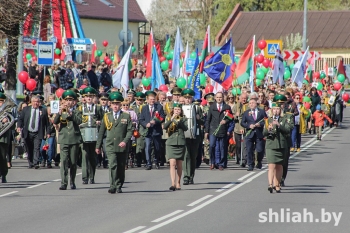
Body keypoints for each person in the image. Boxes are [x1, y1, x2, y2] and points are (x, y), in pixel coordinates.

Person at [95, 92, 133, 194]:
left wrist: (125, 141)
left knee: (121, 166)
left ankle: (119, 184)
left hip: (122, 146)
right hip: (110, 144)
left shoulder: (126, 116)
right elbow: (102, 131)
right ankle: (112, 185)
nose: (115, 106)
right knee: (112, 165)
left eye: (117, 104)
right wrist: (98, 146)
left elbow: (130, 131)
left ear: (120, 105)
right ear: (110, 105)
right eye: (113, 104)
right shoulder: (107, 116)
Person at [53, 90, 83, 190]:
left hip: (74, 139)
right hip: (64, 138)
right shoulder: (61, 110)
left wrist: (71, 114)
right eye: (66, 100)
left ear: (74, 101)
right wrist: (59, 113)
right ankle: (64, 182)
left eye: (70, 100)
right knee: (64, 161)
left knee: (73, 162)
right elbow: (55, 121)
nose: (68, 102)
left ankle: (72, 181)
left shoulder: (77, 110)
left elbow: (79, 121)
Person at [264, 101, 293, 193]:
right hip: (271, 145)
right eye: (274, 109)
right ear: (272, 110)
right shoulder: (268, 120)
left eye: (277, 109)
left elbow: (288, 130)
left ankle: (277, 184)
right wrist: (268, 129)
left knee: (279, 166)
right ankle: (270, 184)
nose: (276, 111)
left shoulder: (284, 119)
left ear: (280, 110)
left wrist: (279, 125)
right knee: (271, 165)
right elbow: (263, 133)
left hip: (281, 145)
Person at [17, 95, 50, 169]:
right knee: (29, 148)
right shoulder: (26, 109)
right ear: (31, 102)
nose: (36, 103)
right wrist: (19, 126)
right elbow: (20, 119)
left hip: (38, 133)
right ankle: (30, 162)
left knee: (36, 148)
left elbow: (47, 123)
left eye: (37, 102)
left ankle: (36, 163)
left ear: (39, 103)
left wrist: (48, 132)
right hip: (28, 132)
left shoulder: (43, 110)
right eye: (34, 102)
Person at [78, 87, 103, 184]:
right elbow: (76, 118)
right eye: (87, 96)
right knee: (84, 156)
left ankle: (92, 176)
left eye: (90, 96)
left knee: (92, 157)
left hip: (94, 134)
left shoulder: (98, 108)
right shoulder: (80, 108)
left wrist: (99, 122)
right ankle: (85, 177)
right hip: (84, 134)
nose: (89, 98)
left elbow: (104, 119)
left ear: (93, 97)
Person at [205, 92, 233, 170]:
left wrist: (226, 121)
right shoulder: (212, 107)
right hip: (213, 130)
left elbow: (231, 117)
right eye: (217, 97)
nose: (219, 99)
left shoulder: (227, 107)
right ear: (215, 98)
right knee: (212, 146)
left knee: (222, 147)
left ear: (223, 98)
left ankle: (220, 163)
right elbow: (208, 119)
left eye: (220, 97)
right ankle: (213, 162)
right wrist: (206, 131)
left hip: (222, 130)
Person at [181, 88, 204, 184]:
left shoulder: (197, 108)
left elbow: (203, 122)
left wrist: (198, 119)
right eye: (186, 98)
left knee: (193, 156)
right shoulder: (180, 108)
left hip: (195, 136)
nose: (187, 100)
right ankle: (186, 177)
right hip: (184, 135)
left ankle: (191, 176)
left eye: (189, 98)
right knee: (186, 156)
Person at [163, 103, 188, 191]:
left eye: (179, 109)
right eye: (176, 109)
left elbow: (185, 128)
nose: (177, 111)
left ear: (181, 111)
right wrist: (172, 119)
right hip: (171, 143)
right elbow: (165, 127)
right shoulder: (169, 117)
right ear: (173, 110)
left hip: (180, 142)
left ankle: (178, 182)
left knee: (179, 164)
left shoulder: (184, 119)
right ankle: (173, 183)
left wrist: (179, 121)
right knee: (172, 163)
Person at [139, 91, 166, 170]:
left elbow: (162, 117)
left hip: (156, 130)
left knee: (157, 147)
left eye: (153, 99)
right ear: (147, 100)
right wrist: (145, 124)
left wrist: (156, 121)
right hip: (148, 131)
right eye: (150, 99)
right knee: (147, 147)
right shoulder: (144, 108)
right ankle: (148, 163)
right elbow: (141, 119)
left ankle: (156, 161)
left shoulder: (159, 107)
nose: (152, 101)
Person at [240, 98, 267, 171]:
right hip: (250, 133)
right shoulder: (246, 112)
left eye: (253, 103)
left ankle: (259, 161)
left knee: (260, 150)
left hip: (259, 133)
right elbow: (242, 122)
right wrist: (248, 126)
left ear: (256, 104)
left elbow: (266, 121)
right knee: (249, 149)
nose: (251, 104)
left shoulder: (261, 112)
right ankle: (250, 165)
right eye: (250, 103)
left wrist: (260, 124)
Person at [232, 93, 248, 166]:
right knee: (238, 145)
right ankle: (238, 158)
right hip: (237, 128)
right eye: (242, 98)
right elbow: (230, 116)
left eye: (245, 98)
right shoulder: (236, 106)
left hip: (245, 128)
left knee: (244, 145)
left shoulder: (248, 106)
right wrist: (235, 115)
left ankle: (244, 160)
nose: (244, 100)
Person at [0, 93, 12, 183]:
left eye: (1, 101)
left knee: (3, 158)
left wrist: (5, 120)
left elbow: (11, 123)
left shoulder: (7, 111)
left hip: (3, 138)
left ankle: (3, 174)